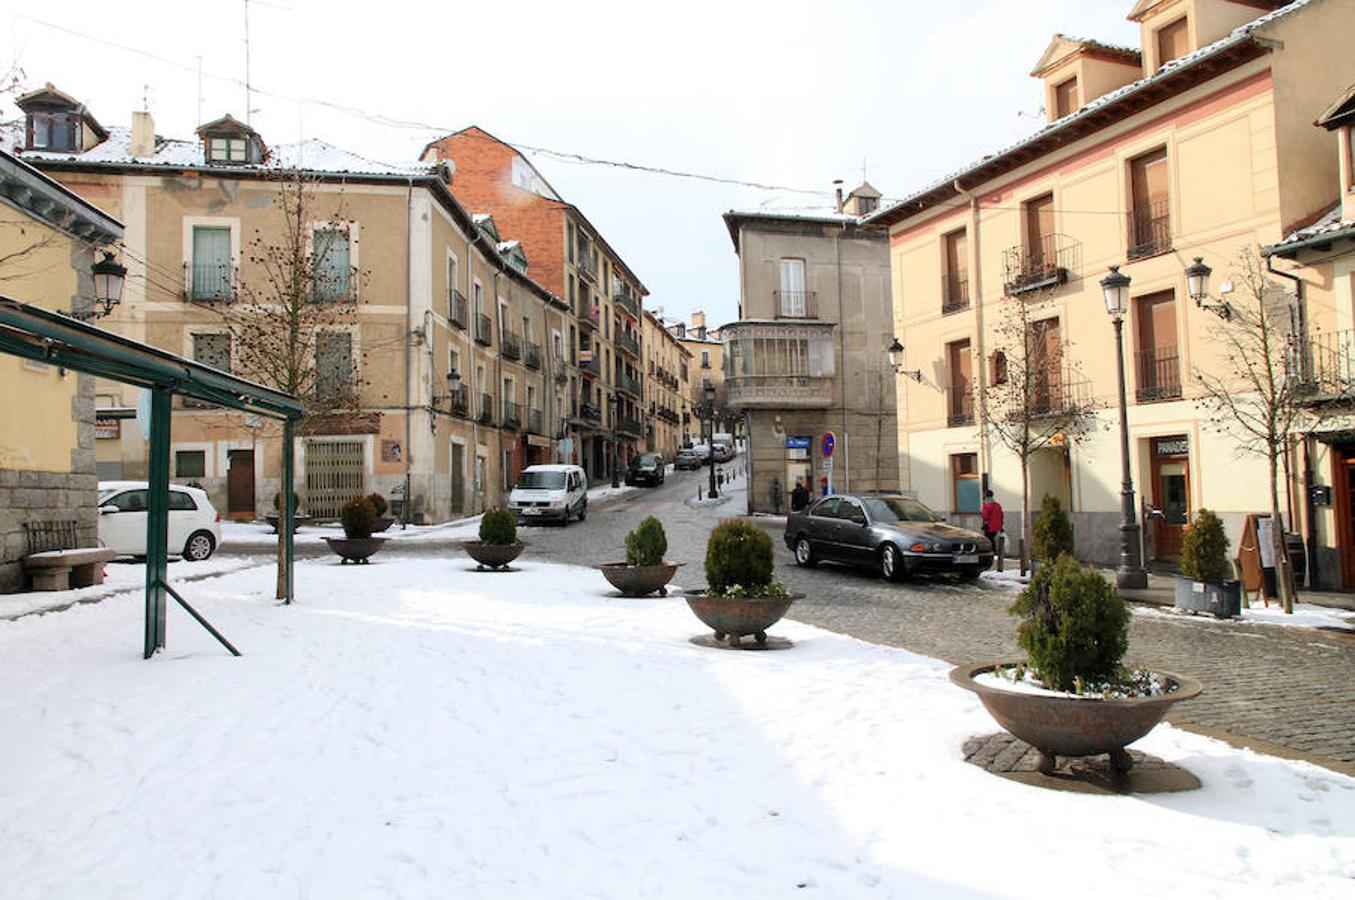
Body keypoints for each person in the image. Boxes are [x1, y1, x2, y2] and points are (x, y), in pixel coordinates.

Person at [980, 490, 1004, 568]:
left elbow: (984, 515)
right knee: (991, 538)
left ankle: (992, 552)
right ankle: (994, 552)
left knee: (988, 539)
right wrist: (1001, 526)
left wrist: (985, 523)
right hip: (997, 526)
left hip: (989, 526)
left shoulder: (987, 505)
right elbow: (1001, 515)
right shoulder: (997, 505)